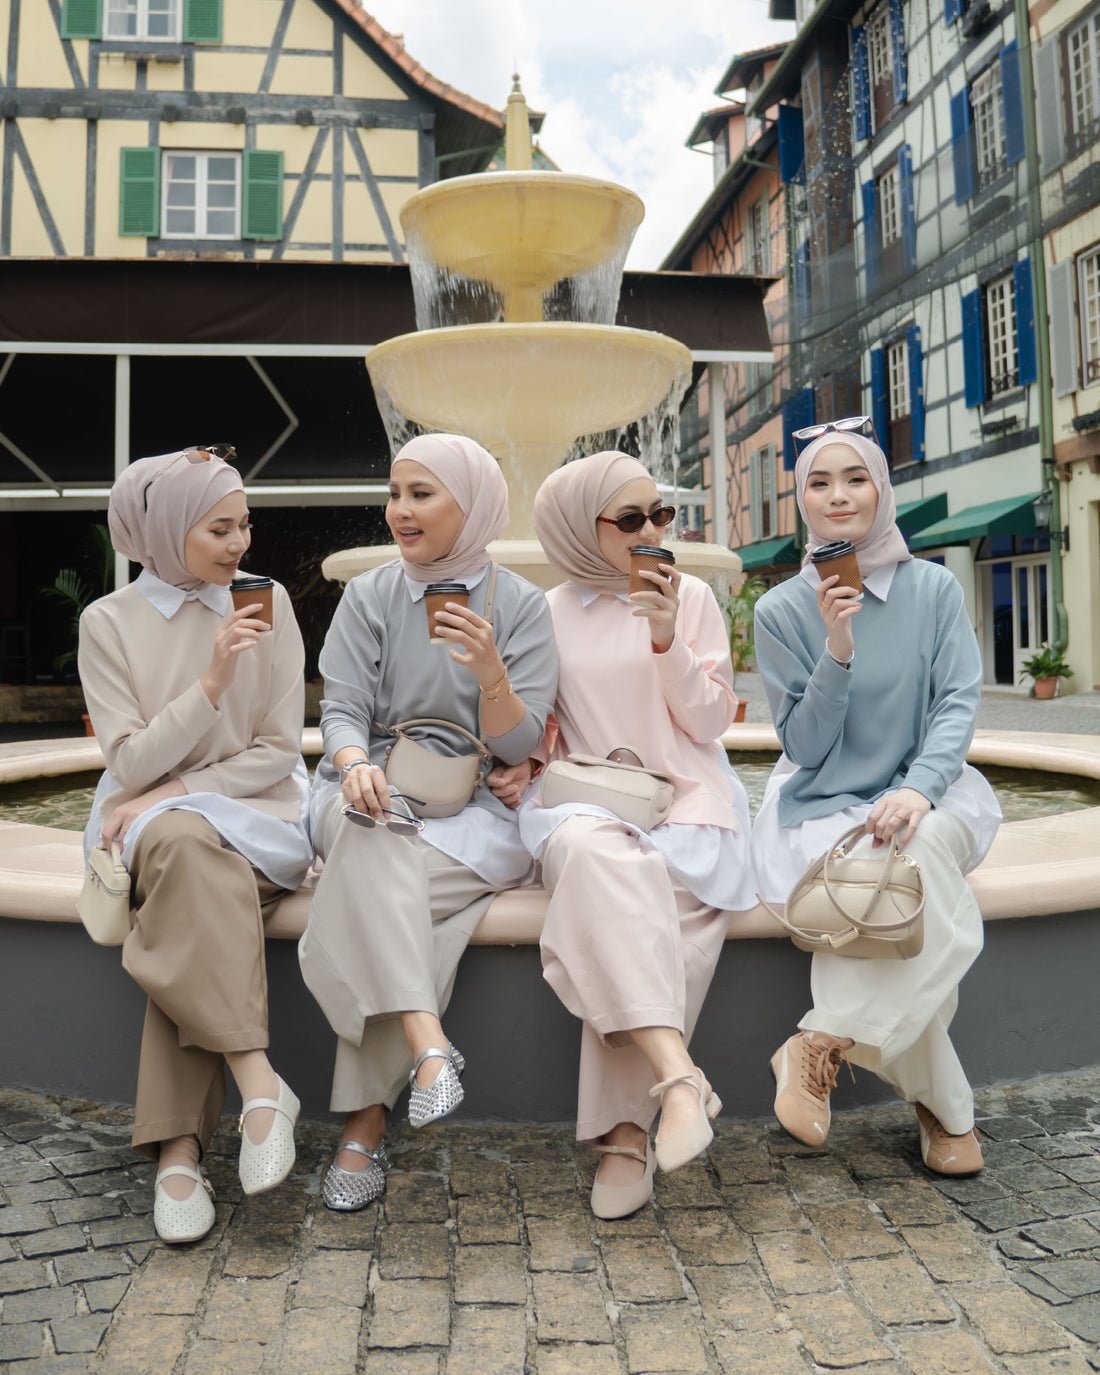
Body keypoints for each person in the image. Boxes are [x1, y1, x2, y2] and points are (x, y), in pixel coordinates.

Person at [298, 432, 557, 1212]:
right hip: (368, 794)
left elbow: (518, 745)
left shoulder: (520, 606)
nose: (400, 510)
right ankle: (428, 1043)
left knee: (383, 899)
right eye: (395, 493)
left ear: (469, 505)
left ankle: (365, 1124)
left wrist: (492, 676)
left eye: (421, 494)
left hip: (473, 811)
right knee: (372, 835)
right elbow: (341, 710)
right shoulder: (370, 595)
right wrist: (354, 763)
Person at [493, 451, 755, 1221]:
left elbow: (710, 722)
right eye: (632, 518)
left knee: (652, 902)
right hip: (589, 802)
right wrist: (524, 760)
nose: (653, 532)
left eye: (661, 514)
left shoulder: (691, 595)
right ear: (583, 527)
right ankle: (677, 1076)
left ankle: (625, 1133)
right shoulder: (545, 611)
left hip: (685, 796)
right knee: (596, 859)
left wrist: (669, 638)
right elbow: (539, 722)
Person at [78, 446, 313, 1244]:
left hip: (255, 815)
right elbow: (128, 762)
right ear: (169, 528)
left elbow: (278, 750)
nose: (239, 542)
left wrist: (176, 789)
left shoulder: (268, 600)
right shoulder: (108, 623)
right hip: (150, 824)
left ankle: (179, 1149)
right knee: (182, 849)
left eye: (245, 524)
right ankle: (258, 1082)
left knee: (187, 885)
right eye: (220, 528)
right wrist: (210, 684)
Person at [751, 426, 1001, 1175]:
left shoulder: (934, 590)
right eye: (819, 482)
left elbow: (957, 702)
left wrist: (920, 789)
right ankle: (945, 1110)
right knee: (875, 893)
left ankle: (821, 1039)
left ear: (881, 490)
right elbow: (804, 747)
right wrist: (837, 648)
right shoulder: (780, 611)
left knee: (916, 852)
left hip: (935, 789)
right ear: (802, 500)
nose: (838, 496)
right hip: (828, 799)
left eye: (855, 478)